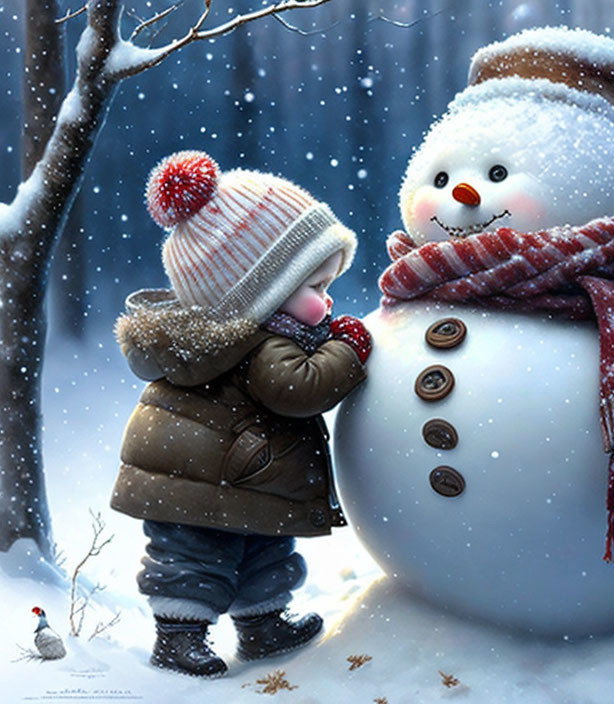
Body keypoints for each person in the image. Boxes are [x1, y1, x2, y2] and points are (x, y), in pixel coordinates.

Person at [110, 150, 372, 677]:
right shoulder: (263, 345)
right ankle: (179, 636)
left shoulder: (254, 333)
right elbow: (300, 389)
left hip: (231, 477)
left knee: (264, 549)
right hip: (204, 479)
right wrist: (349, 350)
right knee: (193, 561)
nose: (329, 300)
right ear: (260, 292)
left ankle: (263, 623)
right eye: (316, 288)